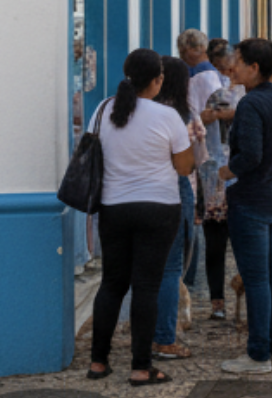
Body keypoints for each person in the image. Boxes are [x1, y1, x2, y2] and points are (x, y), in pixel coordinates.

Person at [88, 48, 194, 386]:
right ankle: (141, 367)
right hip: (158, 208)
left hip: (113, 208)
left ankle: (98, 362)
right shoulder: (167, 116)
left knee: (111, 284)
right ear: (158, 80)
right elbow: (184, 167)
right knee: (146, 286)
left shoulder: (102, 110)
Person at [219, 39, 272, 374]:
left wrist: (229, 170)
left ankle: (259, 354)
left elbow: (251, 154)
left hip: (252, 201)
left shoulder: (251, 104)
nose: (231, 66)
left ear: (254, 68)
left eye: (237, 61)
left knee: (256, 280)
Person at [151, 56, 202, 360]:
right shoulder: (184, 115)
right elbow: (196, 161)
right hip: (177, 191)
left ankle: (143, 333)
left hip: (139, 193)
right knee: (171, 269)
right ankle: (164, 337)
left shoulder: (140, 112)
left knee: (145, 268)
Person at [202, 39, 238, 321]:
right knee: (216, 242)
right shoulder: (214, 90)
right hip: (217, 176)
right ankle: (218, 302)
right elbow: (202, 120)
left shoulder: (253, 94)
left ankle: (229, 303)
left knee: (241, 245)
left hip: (234, 176)